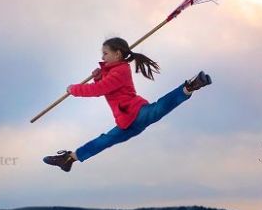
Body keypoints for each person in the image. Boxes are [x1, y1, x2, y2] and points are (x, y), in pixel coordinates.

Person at [42, 36, 212, 172]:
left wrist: (74, 89)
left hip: (135, 111)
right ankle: (70, 158)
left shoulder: (121, 70)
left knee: (158, 109)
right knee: (105, 140)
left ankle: (189, 86)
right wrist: (98, 76)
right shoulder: (113, 71)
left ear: (117, 54)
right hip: (126, 122)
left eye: (106, 53)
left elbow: (99, 89)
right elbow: (107, 87)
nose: (102, 57)